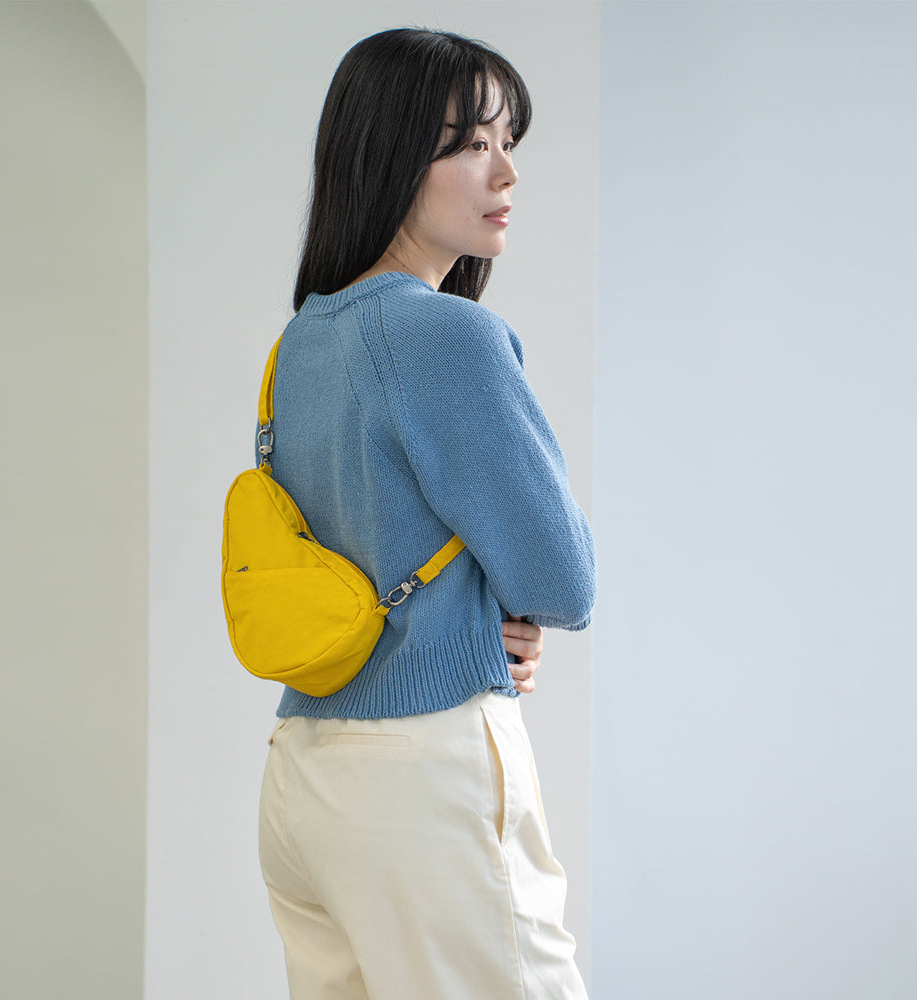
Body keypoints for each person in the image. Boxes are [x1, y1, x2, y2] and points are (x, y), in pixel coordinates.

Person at [256, 27, 595, 1000]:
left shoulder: (300, 342)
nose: (505, 172)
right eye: (468, 144)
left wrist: (482, 612)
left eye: (507, 141)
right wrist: (503, 612)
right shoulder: (447, 335)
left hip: (304, 775)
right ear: (391, 156)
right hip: (423, 770)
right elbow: (563, 579)